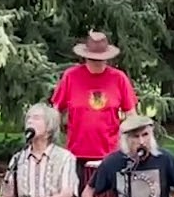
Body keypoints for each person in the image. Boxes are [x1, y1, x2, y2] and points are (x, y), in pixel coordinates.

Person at [50, 30, 139, 167]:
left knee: (109, 189)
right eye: (93, 59)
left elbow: (131, 115)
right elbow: (56, 111)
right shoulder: (70, 76)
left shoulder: (119, 78)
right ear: (85, 57)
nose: (97, 62)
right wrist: (53, 141)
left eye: (101, 59)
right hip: (75, 154)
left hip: (110, 154)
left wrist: (131, 145)